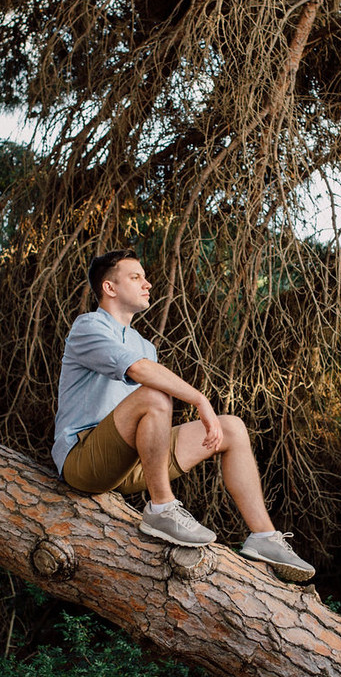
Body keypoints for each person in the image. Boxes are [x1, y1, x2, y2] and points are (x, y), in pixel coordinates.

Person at [51, 249, 317, 582]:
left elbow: (146, 383)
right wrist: (199, 399)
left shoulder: (144, 344)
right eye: (136, 277)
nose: (147, 284)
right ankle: (162, 508)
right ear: (110, 288)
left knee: (231, 427)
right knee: (155, 395)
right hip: (83, 460)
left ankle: (263, 537)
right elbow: (137, 371)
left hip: (128, 464)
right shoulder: (88, 327)